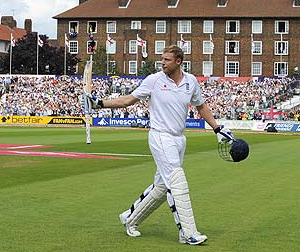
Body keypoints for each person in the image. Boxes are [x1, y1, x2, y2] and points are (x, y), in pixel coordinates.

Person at [87, 45, 232, 245]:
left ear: (178, 62)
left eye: (167, 60)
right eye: (162, 59)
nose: (162, 63)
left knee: (163, 187)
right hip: (160, 136)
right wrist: (100, 103)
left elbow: (201, 106)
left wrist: (216, 128)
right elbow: (128, 100)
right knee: (177, 181)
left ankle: (130, 219)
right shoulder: (154, 80)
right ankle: (188, 233)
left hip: (179, 139)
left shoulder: (191, 82)